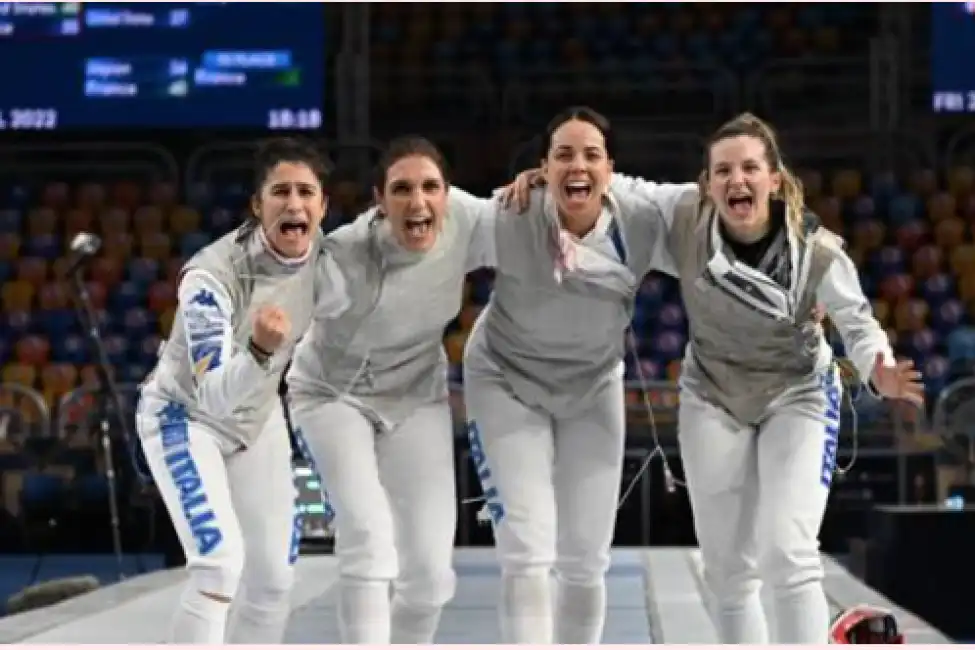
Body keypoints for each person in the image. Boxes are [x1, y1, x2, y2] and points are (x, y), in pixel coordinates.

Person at [504, 112, 923, 644]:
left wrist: (878, 367)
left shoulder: (817, 252)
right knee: (728, 569)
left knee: (786, 550)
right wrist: (550, 176)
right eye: (722, 170)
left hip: (798, 395)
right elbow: (616, 183)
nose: (736, 180)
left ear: (774, 179)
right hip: (711, 397)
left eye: (749, 168)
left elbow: (859, 323)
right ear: (707, 183)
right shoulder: (685, 216)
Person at [462, 106, 680, 644]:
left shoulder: (644, 218)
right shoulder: (509, 212)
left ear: (610, 170)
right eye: (563, 155)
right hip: (505, 381)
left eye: (590, 155)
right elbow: (425, 243)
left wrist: (807, 280)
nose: (576, 165)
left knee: (585, 559)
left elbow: (725, 229)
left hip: (593, 386)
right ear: (542, 167)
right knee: (527, 552)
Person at [285, 135, 498, 644]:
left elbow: (539, 217)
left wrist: (540, 184)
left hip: (416, 395)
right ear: (379, 201)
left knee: (428, 574)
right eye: (401, 190)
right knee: (368, 538)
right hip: (332, 397)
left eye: (430, 187)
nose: (418, 201)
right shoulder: (343, 255)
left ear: (448, 193)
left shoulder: (469, 219)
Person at [135, 137, 346, 644]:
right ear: (258, 205)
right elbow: (211, 396)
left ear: (322, 205)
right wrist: (257, 350)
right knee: (219, 565)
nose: (293, 204)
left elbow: (406, 228)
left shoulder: (333, 260)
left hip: (257, 420)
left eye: (305, 192)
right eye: (280, 192)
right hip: (185, 417)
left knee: (274, 579)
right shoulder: (212, 275)